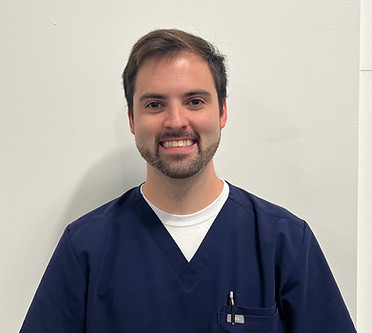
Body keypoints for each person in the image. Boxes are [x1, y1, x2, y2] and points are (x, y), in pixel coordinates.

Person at [20, 29, 356, 332]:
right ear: (132, 120)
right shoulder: (85, 247)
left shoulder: (283, 242)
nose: (176, 121)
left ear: (222, 112)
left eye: (195, 101)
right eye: (155, 104)